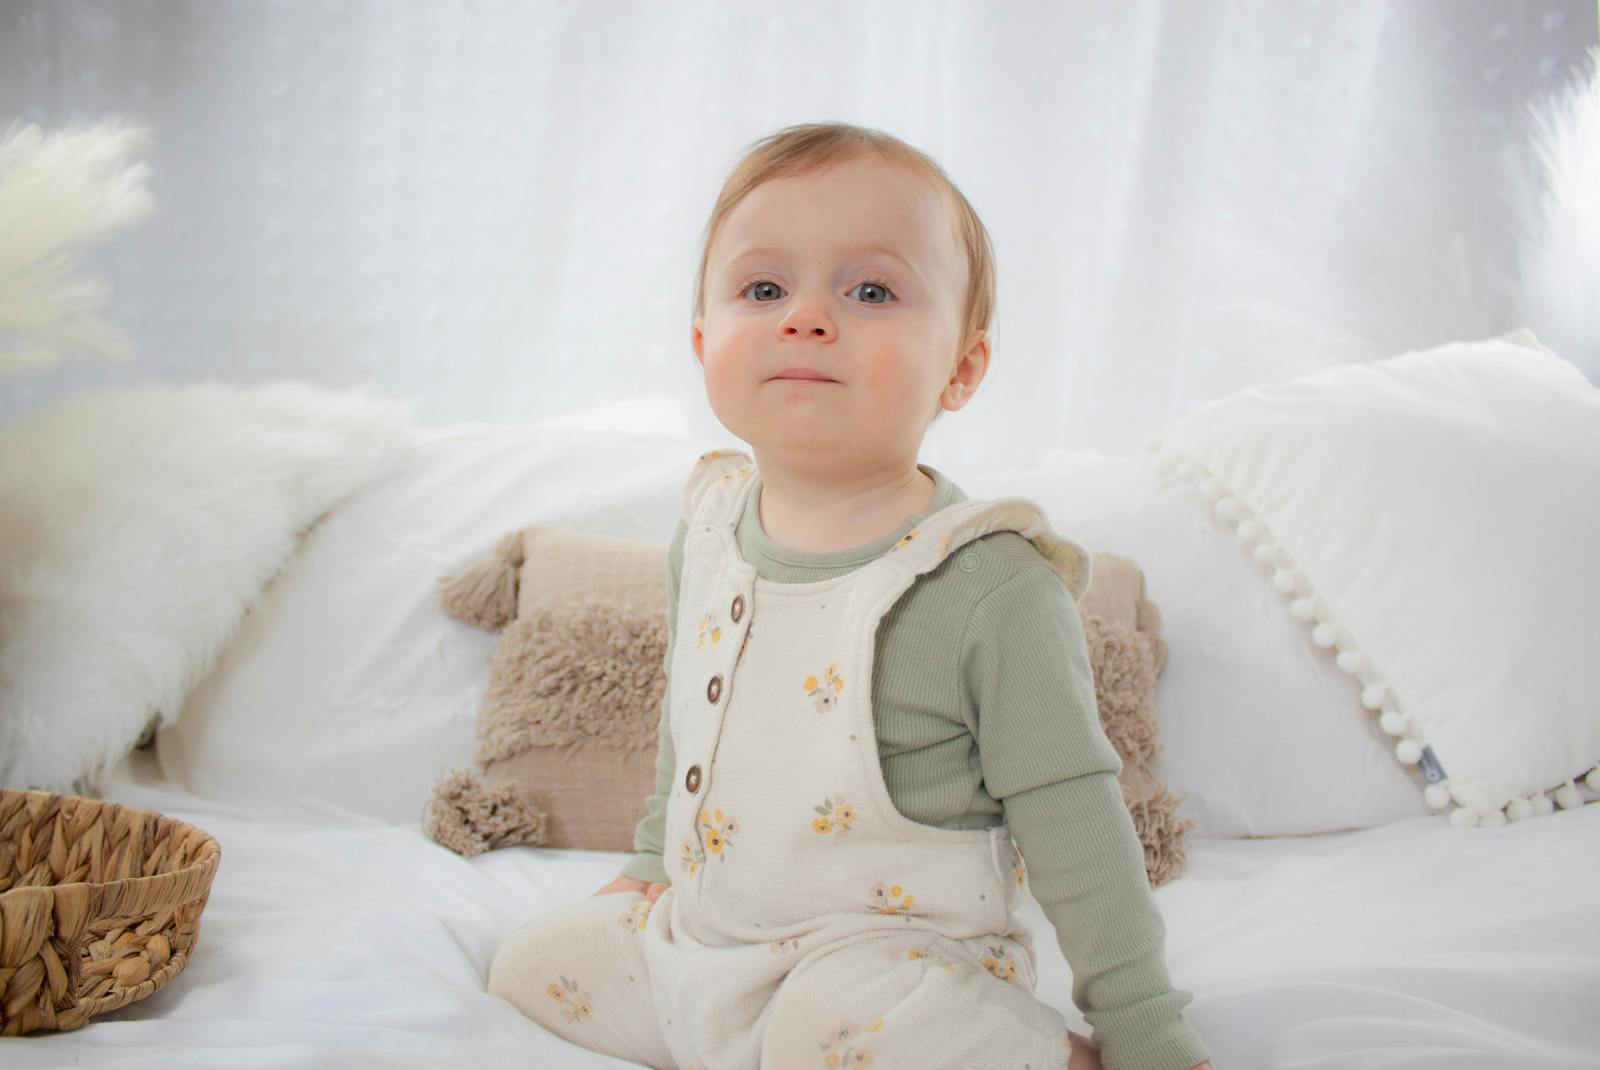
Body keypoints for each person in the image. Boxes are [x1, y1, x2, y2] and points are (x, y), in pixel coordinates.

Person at [488, 121, 1214, 1070]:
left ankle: (1045, 1056)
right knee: (533, 964)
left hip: (890, 966)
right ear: (705, 339)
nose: (806, 317)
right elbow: (690, 729)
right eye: (763, 289)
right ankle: (729, 1030)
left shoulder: (988, 581)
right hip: (708, 946)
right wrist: (646, 875)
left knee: (845, 1025)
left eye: (870, 290)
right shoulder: (709, 530)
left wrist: (1146, 1031)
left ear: (961, 367)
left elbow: (1079, 825)